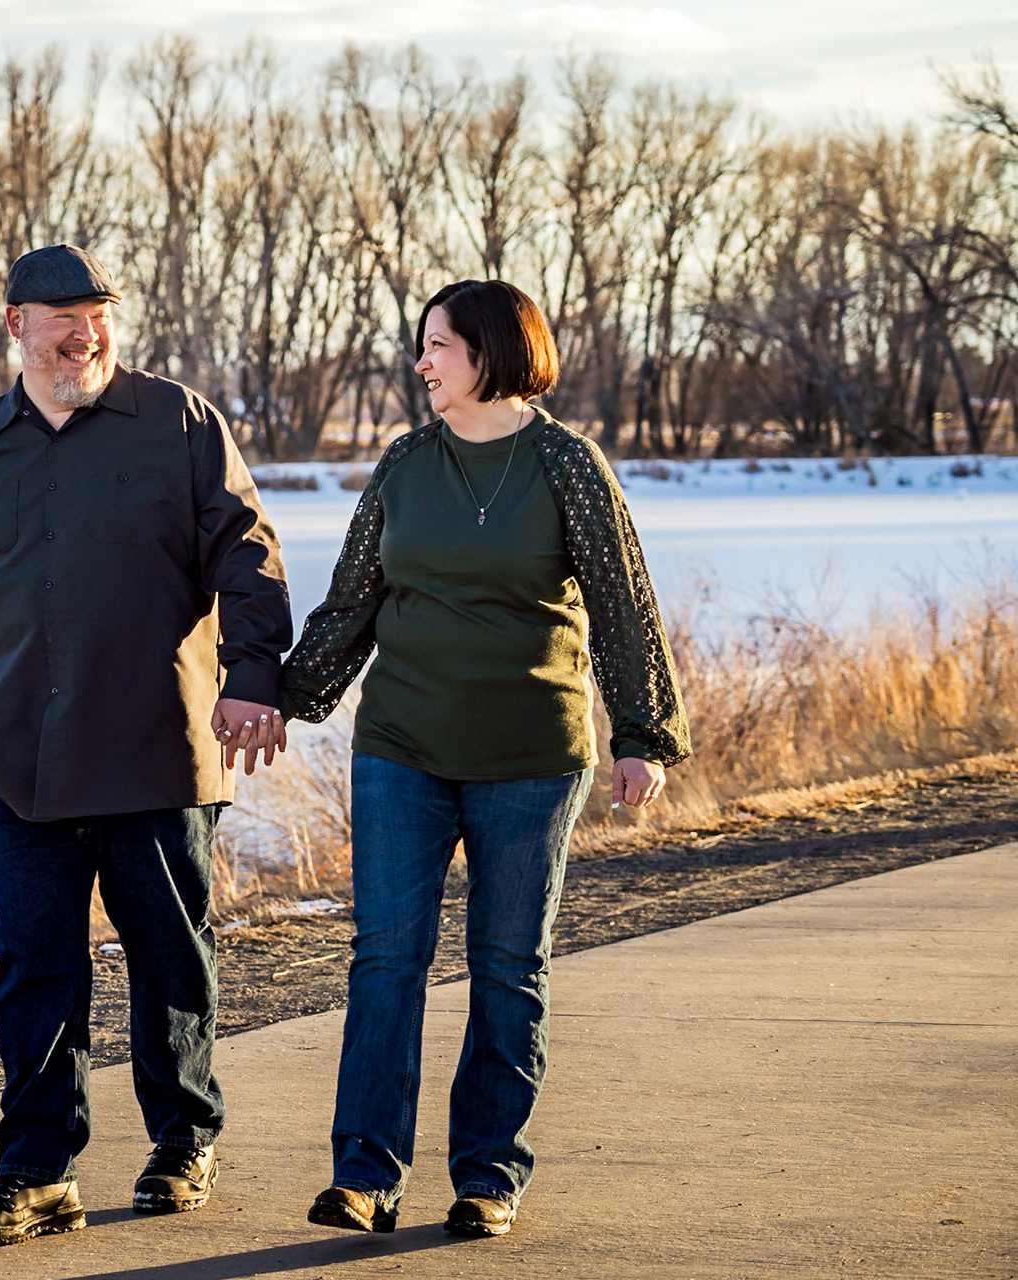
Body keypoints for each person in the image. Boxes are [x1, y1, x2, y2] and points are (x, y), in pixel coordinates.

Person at [261, 278, 690, 1240]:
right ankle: (364, 1176)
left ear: (491, 352)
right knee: (387, 959)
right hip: (402, 747)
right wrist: (281, 695)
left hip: (532, 755)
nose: (421, 363)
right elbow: (353, 599)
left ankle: (489, 1177)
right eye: (423, 346)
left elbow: (623, 603)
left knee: (507, 964)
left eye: (438, 345)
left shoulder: (567, 465)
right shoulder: (406, 462)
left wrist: (643, 733)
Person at [0, 244, 293, 1246]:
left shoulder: (179, 424)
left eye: (99, 315)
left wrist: (253, 673)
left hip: (158, 745)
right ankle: (38, 1171)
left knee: (170, 956)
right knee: (35, 968)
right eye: (64, 318)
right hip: (20, 762)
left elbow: (247, 554)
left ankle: (183, 1141)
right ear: (16, 324)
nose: (86, 335)